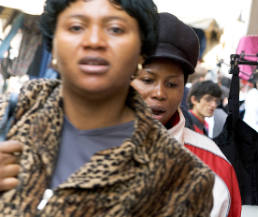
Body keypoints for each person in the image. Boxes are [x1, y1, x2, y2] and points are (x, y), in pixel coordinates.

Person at [0, 0, 217, 216]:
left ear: (142, 52)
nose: (94, 41)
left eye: (115, 29)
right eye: (76, 27)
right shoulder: (16, 113)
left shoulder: (182, 179)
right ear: (53, 43)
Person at [131, 12, 241, 217]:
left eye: (172, 84)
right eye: (147, 80)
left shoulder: (216, 167)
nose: (159, 94)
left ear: (184, 90)